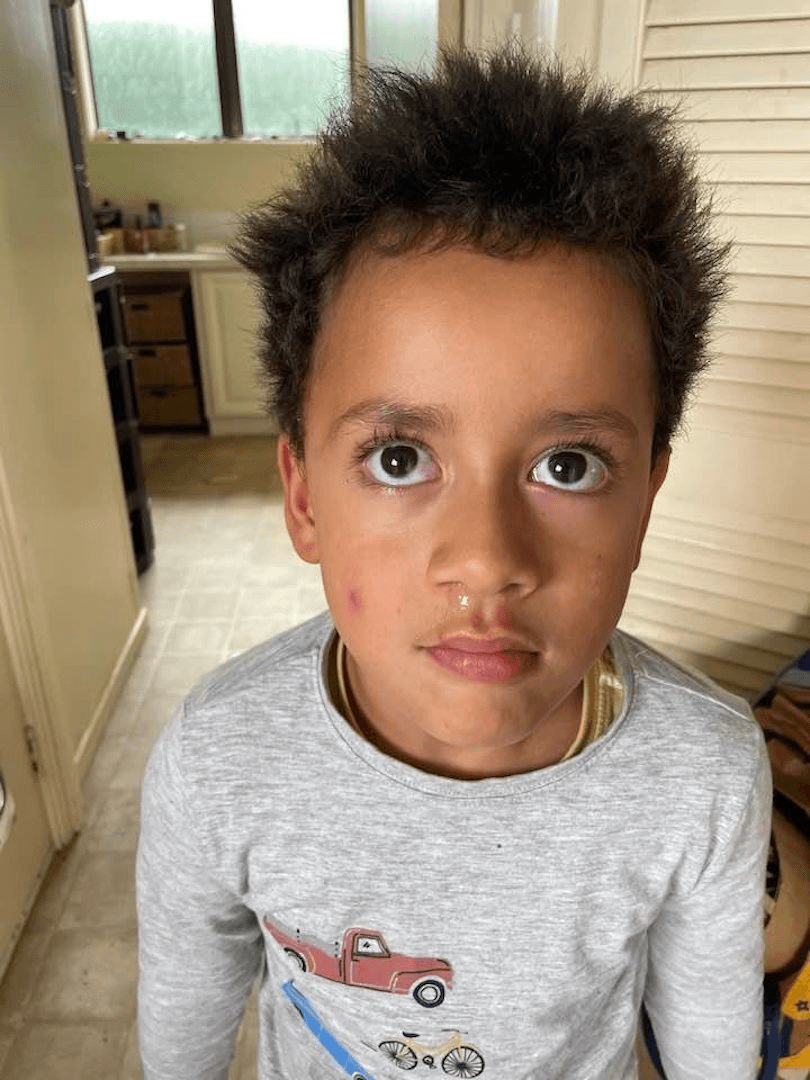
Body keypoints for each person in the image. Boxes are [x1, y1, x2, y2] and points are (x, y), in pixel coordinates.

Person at [136, 44, 772, 1080]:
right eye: (400, 458)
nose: (485, 560)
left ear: (648, 498)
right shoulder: (217, 763)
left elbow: (710, 1049)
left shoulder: (701, 775)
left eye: (567, 463)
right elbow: (184, 1031)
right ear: (303, 497)